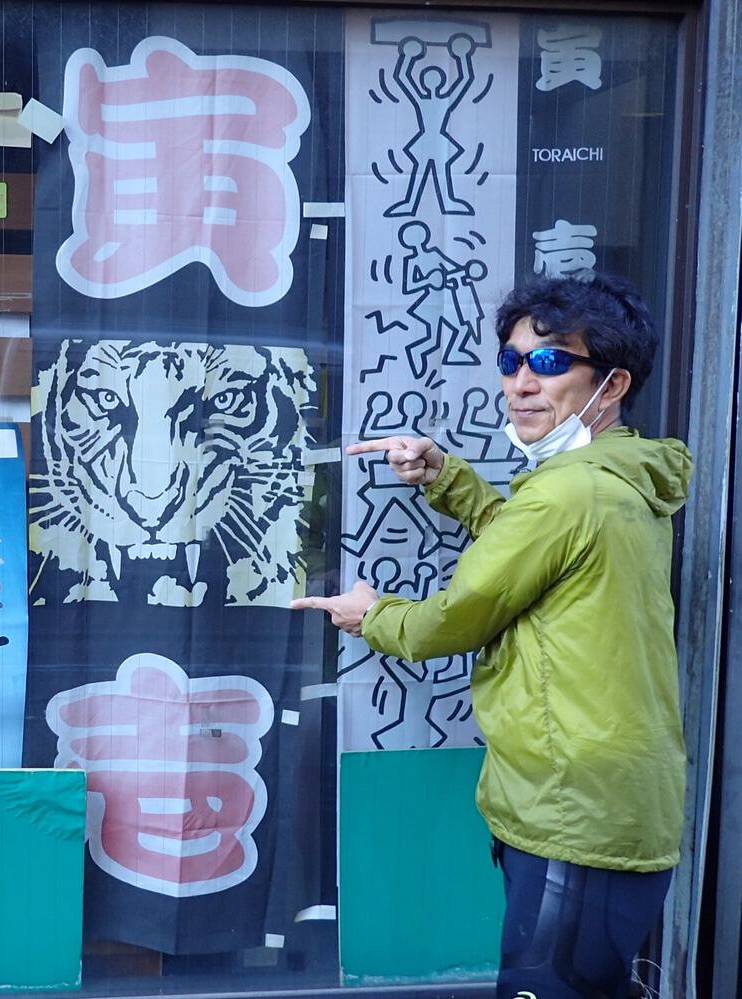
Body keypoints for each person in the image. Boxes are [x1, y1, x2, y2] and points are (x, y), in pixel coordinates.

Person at [292, 274, 692, 998]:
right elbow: (535, 550)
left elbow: (453, 618)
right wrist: (447, 477)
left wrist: (369, 613)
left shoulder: (569, 492)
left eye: (550, 362)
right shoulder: (620, 477)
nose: (520, 384)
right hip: (610, 799)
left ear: (612, 384)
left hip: (573, 810)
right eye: (511, 361)